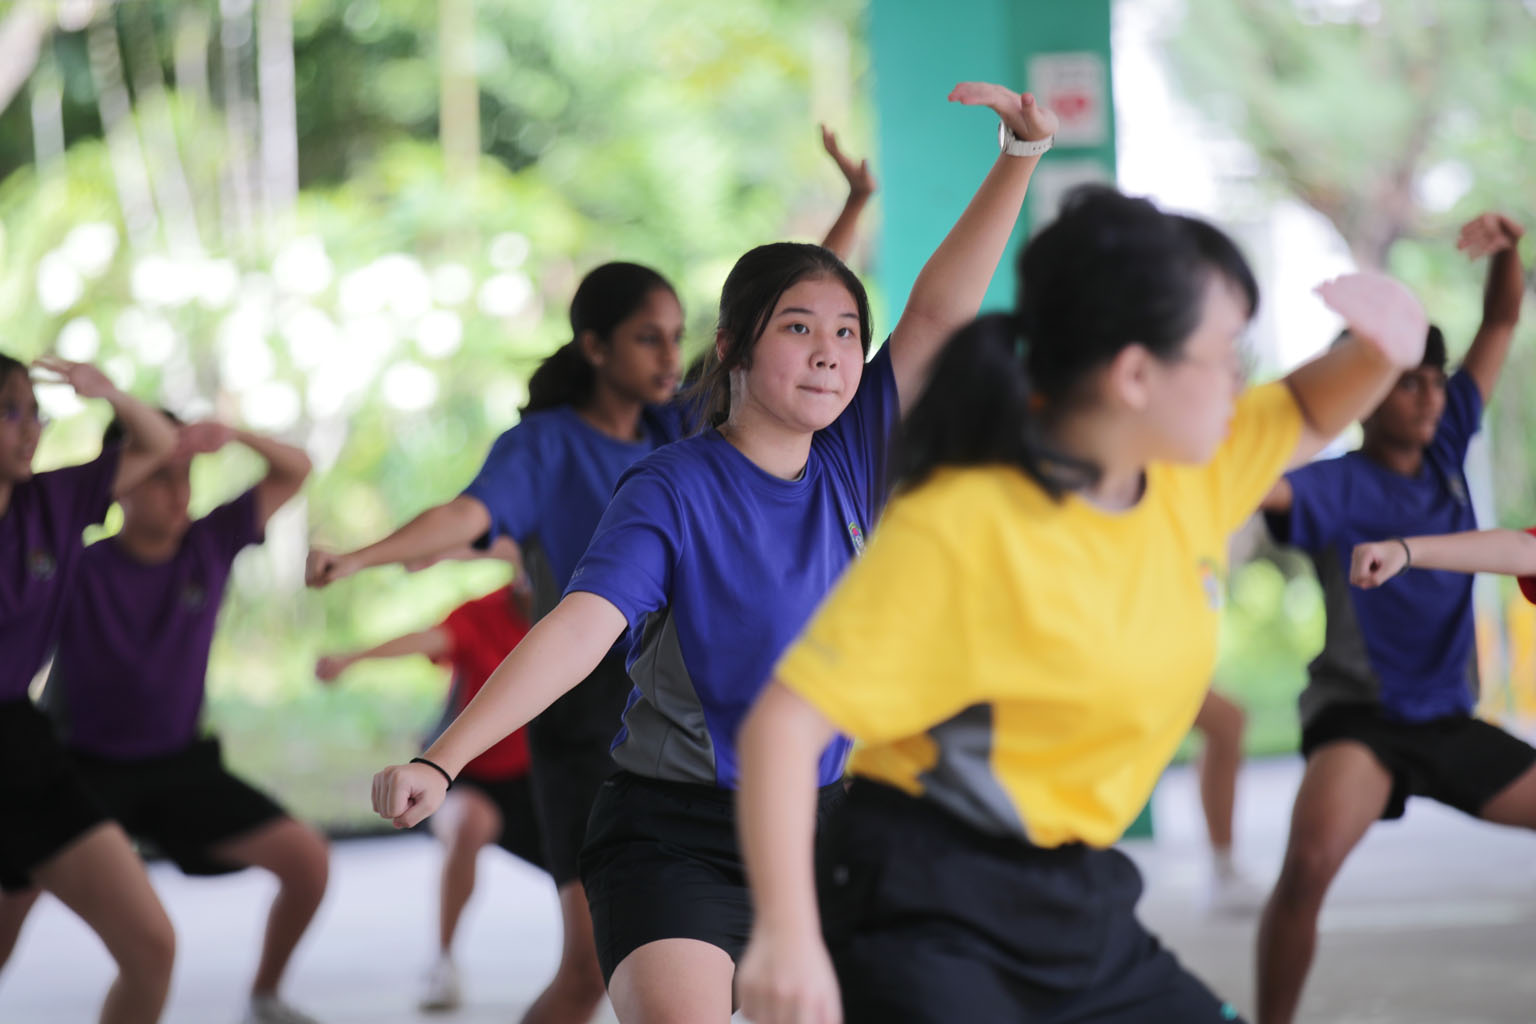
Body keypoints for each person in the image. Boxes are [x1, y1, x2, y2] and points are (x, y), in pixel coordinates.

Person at [371, 81, 1060, 1023]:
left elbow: (938, 316)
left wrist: (1019, 158)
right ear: (733, 347)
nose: (830, 352)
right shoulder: (670, 486)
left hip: (831, 826)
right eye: (799, 329)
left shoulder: (855, 455)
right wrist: (443, 761)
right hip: (674, 830)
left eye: (848, 333)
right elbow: (579, 630)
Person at [730, 188, 1432, 1024]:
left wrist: (1392, 344)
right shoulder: (969, 522)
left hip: (1076, 898)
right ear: (1135, 374)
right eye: (1224, 355)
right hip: (923, 902)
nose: (1241, 383)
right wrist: (786, 935)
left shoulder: (1189, 469)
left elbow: (1317, 405)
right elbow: (785, 723)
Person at [311, 128, 878, 1024]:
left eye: (676, 339)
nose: (667, 356)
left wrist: (851, 212)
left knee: (613, 975)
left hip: (705, 718)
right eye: (647, 340)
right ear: (595, 346)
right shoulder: (552, 446)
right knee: (589, 971)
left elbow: (795, 331)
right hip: (585, 717)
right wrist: (366, 556)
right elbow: (474, 523)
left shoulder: (682, 425)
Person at [1253, 211, 1525, 1024]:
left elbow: (1504, 316)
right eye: (1407, 378)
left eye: (1434, 379)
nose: (1430, 392)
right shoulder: (1338, 484)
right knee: (1307, 866)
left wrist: (1508, 252)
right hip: (1362, 723)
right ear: (1365, 393)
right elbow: (1252, 477)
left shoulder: (1445, 450)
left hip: (1449, 719)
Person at [37, 415, 324, 1024]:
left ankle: (265, 996)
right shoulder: (76, 563)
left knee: (308, 860)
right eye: (159, 476)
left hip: (178, 766)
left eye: (185, 475)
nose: (179, 493)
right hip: (79, 767)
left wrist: (229, 431)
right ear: (124, 479)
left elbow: (295, 468)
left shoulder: (208, 543)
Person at [0, 354, 179, 1024]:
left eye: (34, 411)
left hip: (22, 746)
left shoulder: (52, 500)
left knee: (151, 946)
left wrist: (105, 392)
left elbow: (160, 442)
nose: (31, 429)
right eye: (10, 410)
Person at [315, 577, 543, 1012]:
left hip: (538, 778)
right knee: (467, 824)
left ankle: (598, 962)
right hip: (465, 773)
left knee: (595, 862)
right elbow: (427, 638)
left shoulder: (585, 606)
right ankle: (443, 960)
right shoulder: (482, 614)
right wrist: (353, 658)